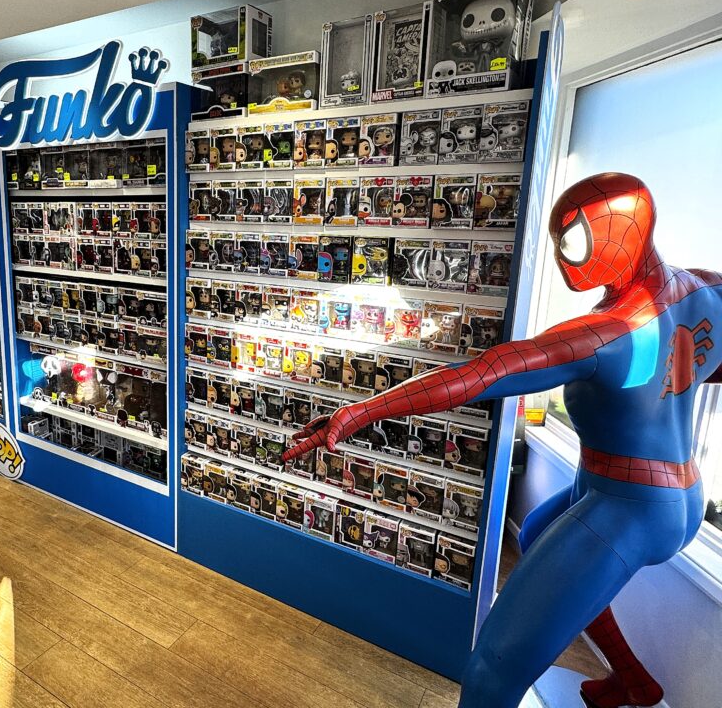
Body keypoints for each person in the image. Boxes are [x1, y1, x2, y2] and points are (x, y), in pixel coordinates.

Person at [285, 173, 722, 708]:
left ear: (623, 231)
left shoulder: (611, 333)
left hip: (629, 505)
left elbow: (484, 373)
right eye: (558, 240)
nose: (562, 258)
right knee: (536, 532)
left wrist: (359, 411)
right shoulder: (703, 291)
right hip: (675, 490)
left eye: (575, 240)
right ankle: (632, 678)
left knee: (493, 668)